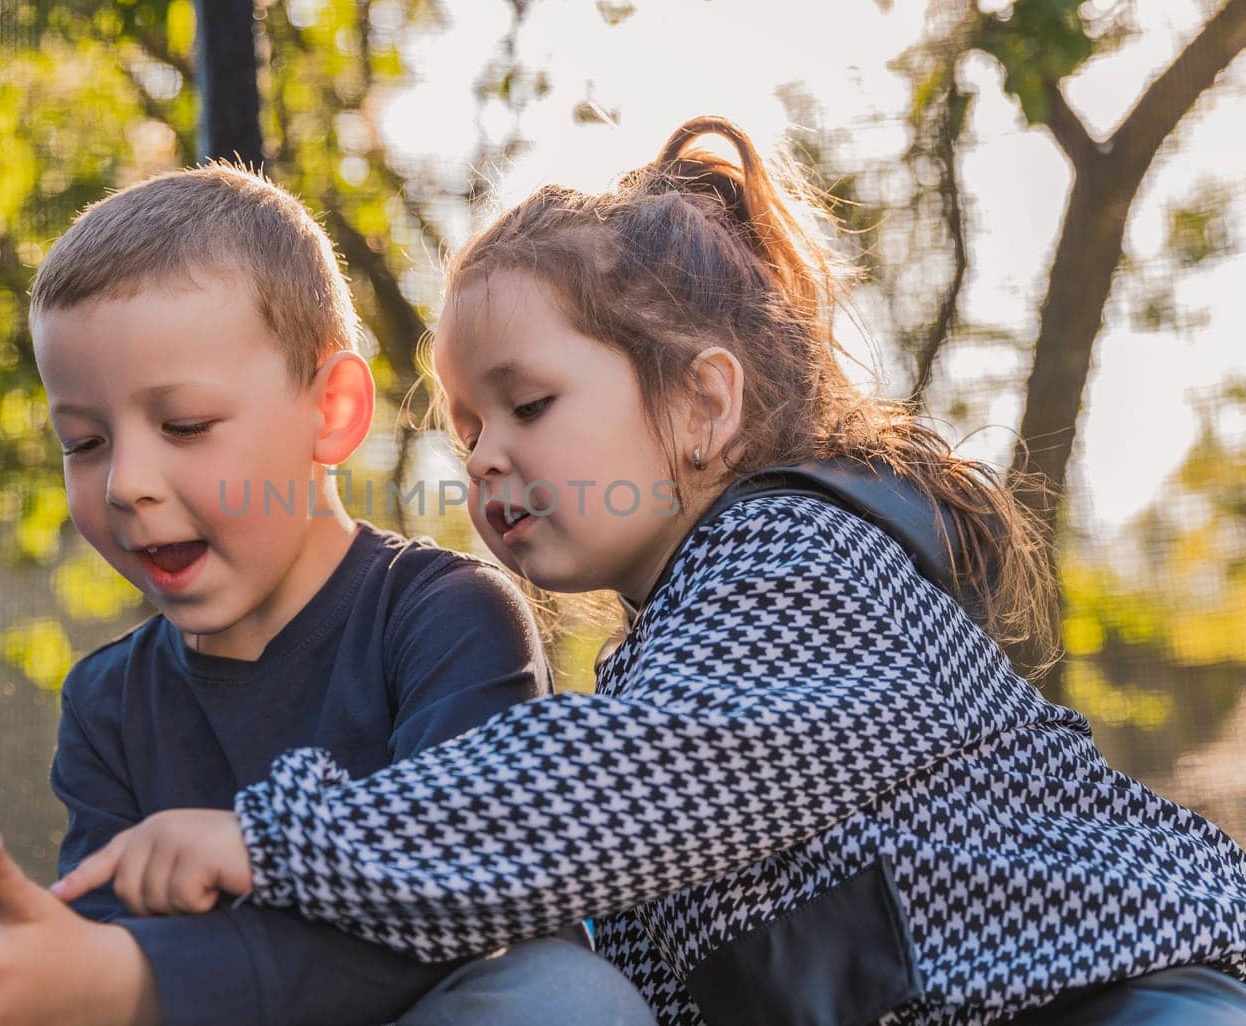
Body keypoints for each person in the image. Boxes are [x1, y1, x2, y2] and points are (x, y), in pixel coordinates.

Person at [65, 117, 1246, 1024]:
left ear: (700, 402)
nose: (486, 458)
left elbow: (603, 784)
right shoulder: (662, 667)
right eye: (466, 430)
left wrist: (275, 843)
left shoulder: (803, 564)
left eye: (527, 404)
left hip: (1135, 994)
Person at [0, 165, 654, 1026]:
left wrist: (131, 978)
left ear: (332, 412)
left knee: (561, 995)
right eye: (83, 442)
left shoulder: (443, 616)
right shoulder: (106, 704)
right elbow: (99, 966)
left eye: (181, 425)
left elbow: (449, 910)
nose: (124, 481)